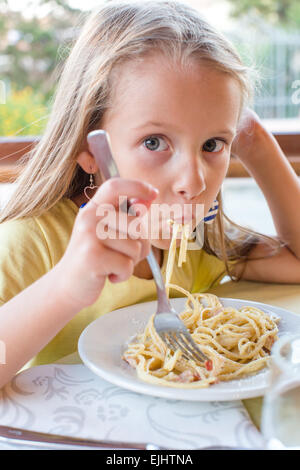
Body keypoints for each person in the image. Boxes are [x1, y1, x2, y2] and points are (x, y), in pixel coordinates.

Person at [0, 0, 300, 389]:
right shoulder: (33, 240)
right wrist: (64, 288)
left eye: (212, 144)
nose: (192, 183)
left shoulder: (196, 242)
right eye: (154, 142)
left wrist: (256, 142)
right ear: (91, 152)